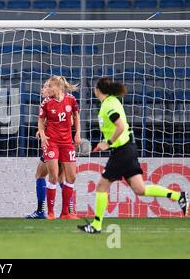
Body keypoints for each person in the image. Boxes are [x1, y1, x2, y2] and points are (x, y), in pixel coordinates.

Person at [78, 77, 188, 234]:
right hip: (127, 149)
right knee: (140, 189)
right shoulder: (112, 101)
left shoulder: (108, 105)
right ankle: (179, 196)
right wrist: (107, 143)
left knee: (101, 186)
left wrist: (107, 143)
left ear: (98, 90)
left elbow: (120, 126)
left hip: (122, 151)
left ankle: (96, 225)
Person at [26, 80, 75, 219]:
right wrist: (42, 129)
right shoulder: (47, 103)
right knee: (59, 177)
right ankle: (68, 210)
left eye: (47, 86)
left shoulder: (63, 101)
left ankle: (43, 210)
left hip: (56, 142)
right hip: (54, 141)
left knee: (44, 175)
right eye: (44, 87)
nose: (43, 89)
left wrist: (44, 130)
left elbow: (68, 121)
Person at [37, 76, 81, 220]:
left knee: (71, 177)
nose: (47, 89)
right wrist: (43, 135)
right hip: (52, 143)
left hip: (67, 143)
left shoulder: (71, 100)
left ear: (59, 87)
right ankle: (50, 212)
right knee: (53, 176)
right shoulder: (46, 103)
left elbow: (76, 116)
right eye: (47, 86)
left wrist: (77, 134)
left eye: (50, 86)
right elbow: (41, 121)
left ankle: (66, 212)